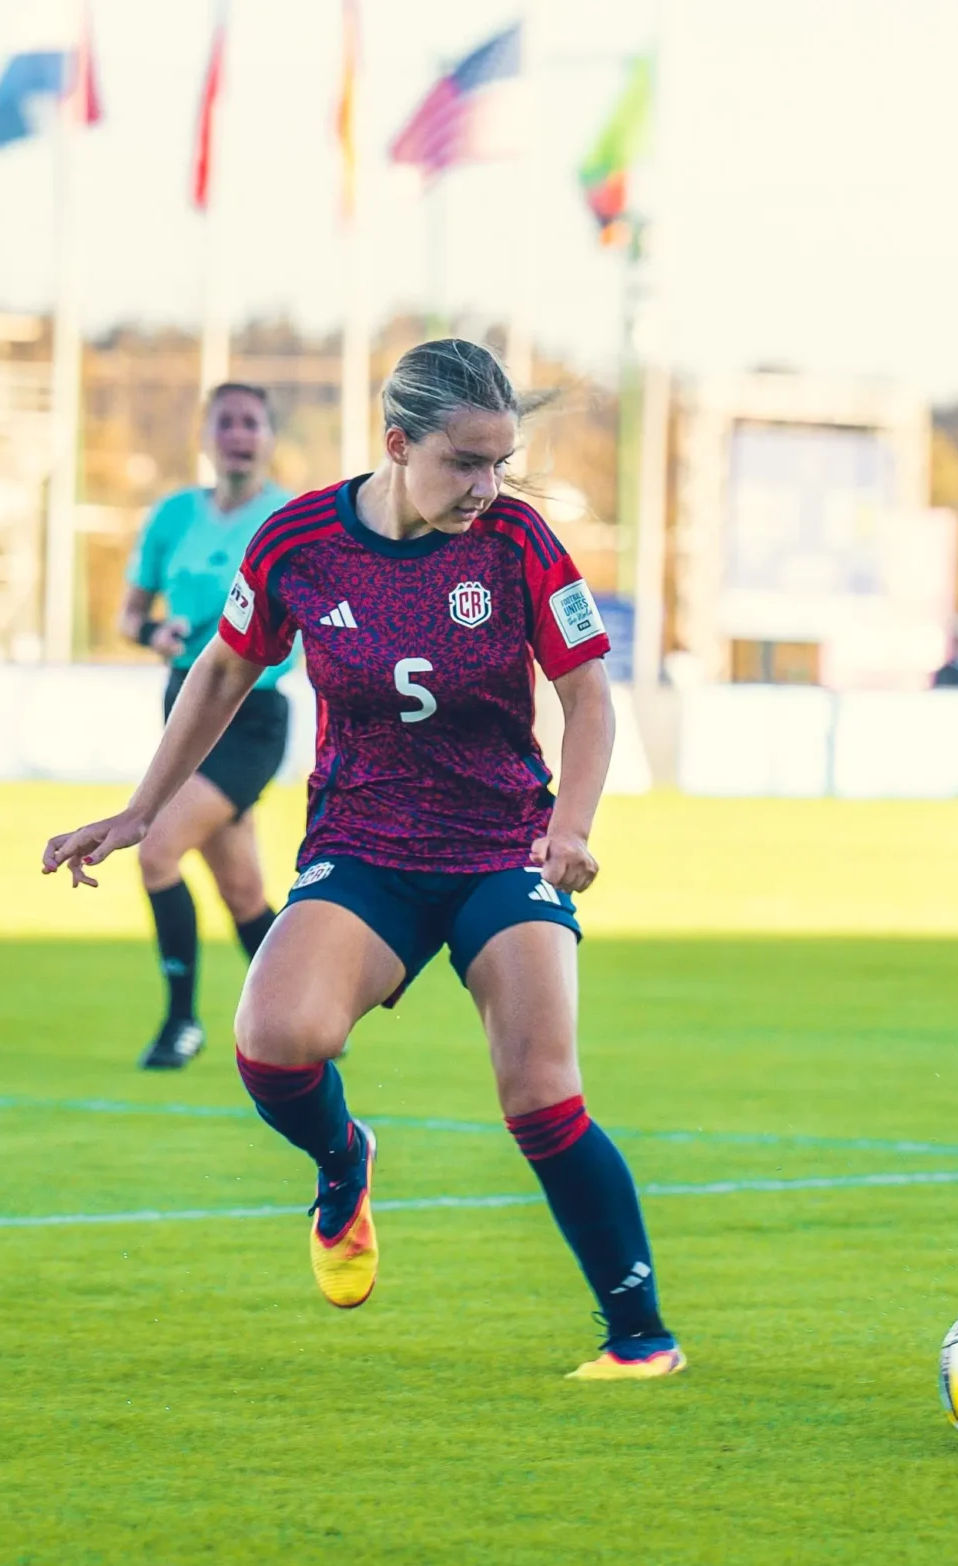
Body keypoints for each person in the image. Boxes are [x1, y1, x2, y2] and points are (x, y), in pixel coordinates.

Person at [43, 338, 680, 1380]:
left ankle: (642, 1337)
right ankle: (344, 1160)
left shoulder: (519, 542)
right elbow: (219, 676)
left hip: (498, 847)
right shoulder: (299, 543)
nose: (486, 488)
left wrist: (571, 826)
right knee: (275, 1038)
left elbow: (588, 696)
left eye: (500, 464)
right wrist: (138, 811)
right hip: (365, 845)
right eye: (464, 463)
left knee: (538, 1092)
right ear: (397, 444)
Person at [116, 382, 296, 1070]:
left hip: (252, 716)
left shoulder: (287, 516)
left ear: (270, 437)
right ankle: (308, 1014)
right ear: (205, 435)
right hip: (185, 706)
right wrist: (152, 632)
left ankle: (181, 1024)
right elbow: (131, 614)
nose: (239, 434)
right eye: (226, 422)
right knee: (243, 889)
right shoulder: (172, 516)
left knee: (157, 847)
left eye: (252, 421)